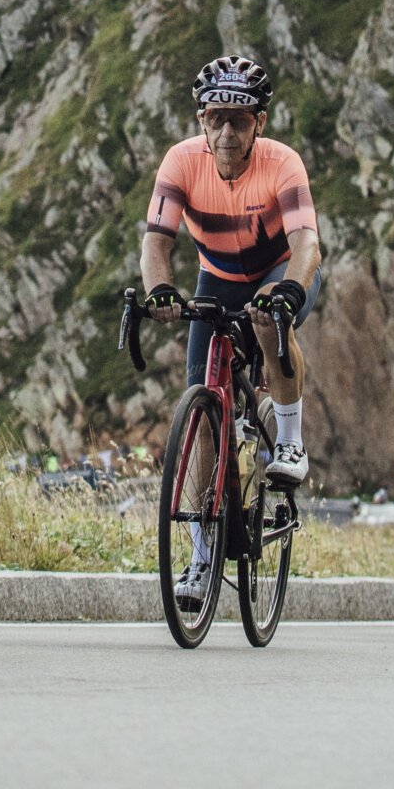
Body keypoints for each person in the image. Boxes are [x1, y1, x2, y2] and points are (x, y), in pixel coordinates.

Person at [138, 53, 322, 608]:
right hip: (215, 277)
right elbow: (156, 243)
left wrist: (290, 288)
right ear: (201, 119)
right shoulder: (180, 162)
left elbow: (308, 244)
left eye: (239, 120)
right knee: (201, 414)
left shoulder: (282, 163)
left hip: (278, 271)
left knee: (269, 321)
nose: (226, 131)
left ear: (259, 123)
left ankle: (288, 441)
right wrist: (160, 290)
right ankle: (200, 555)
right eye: (216, 117)